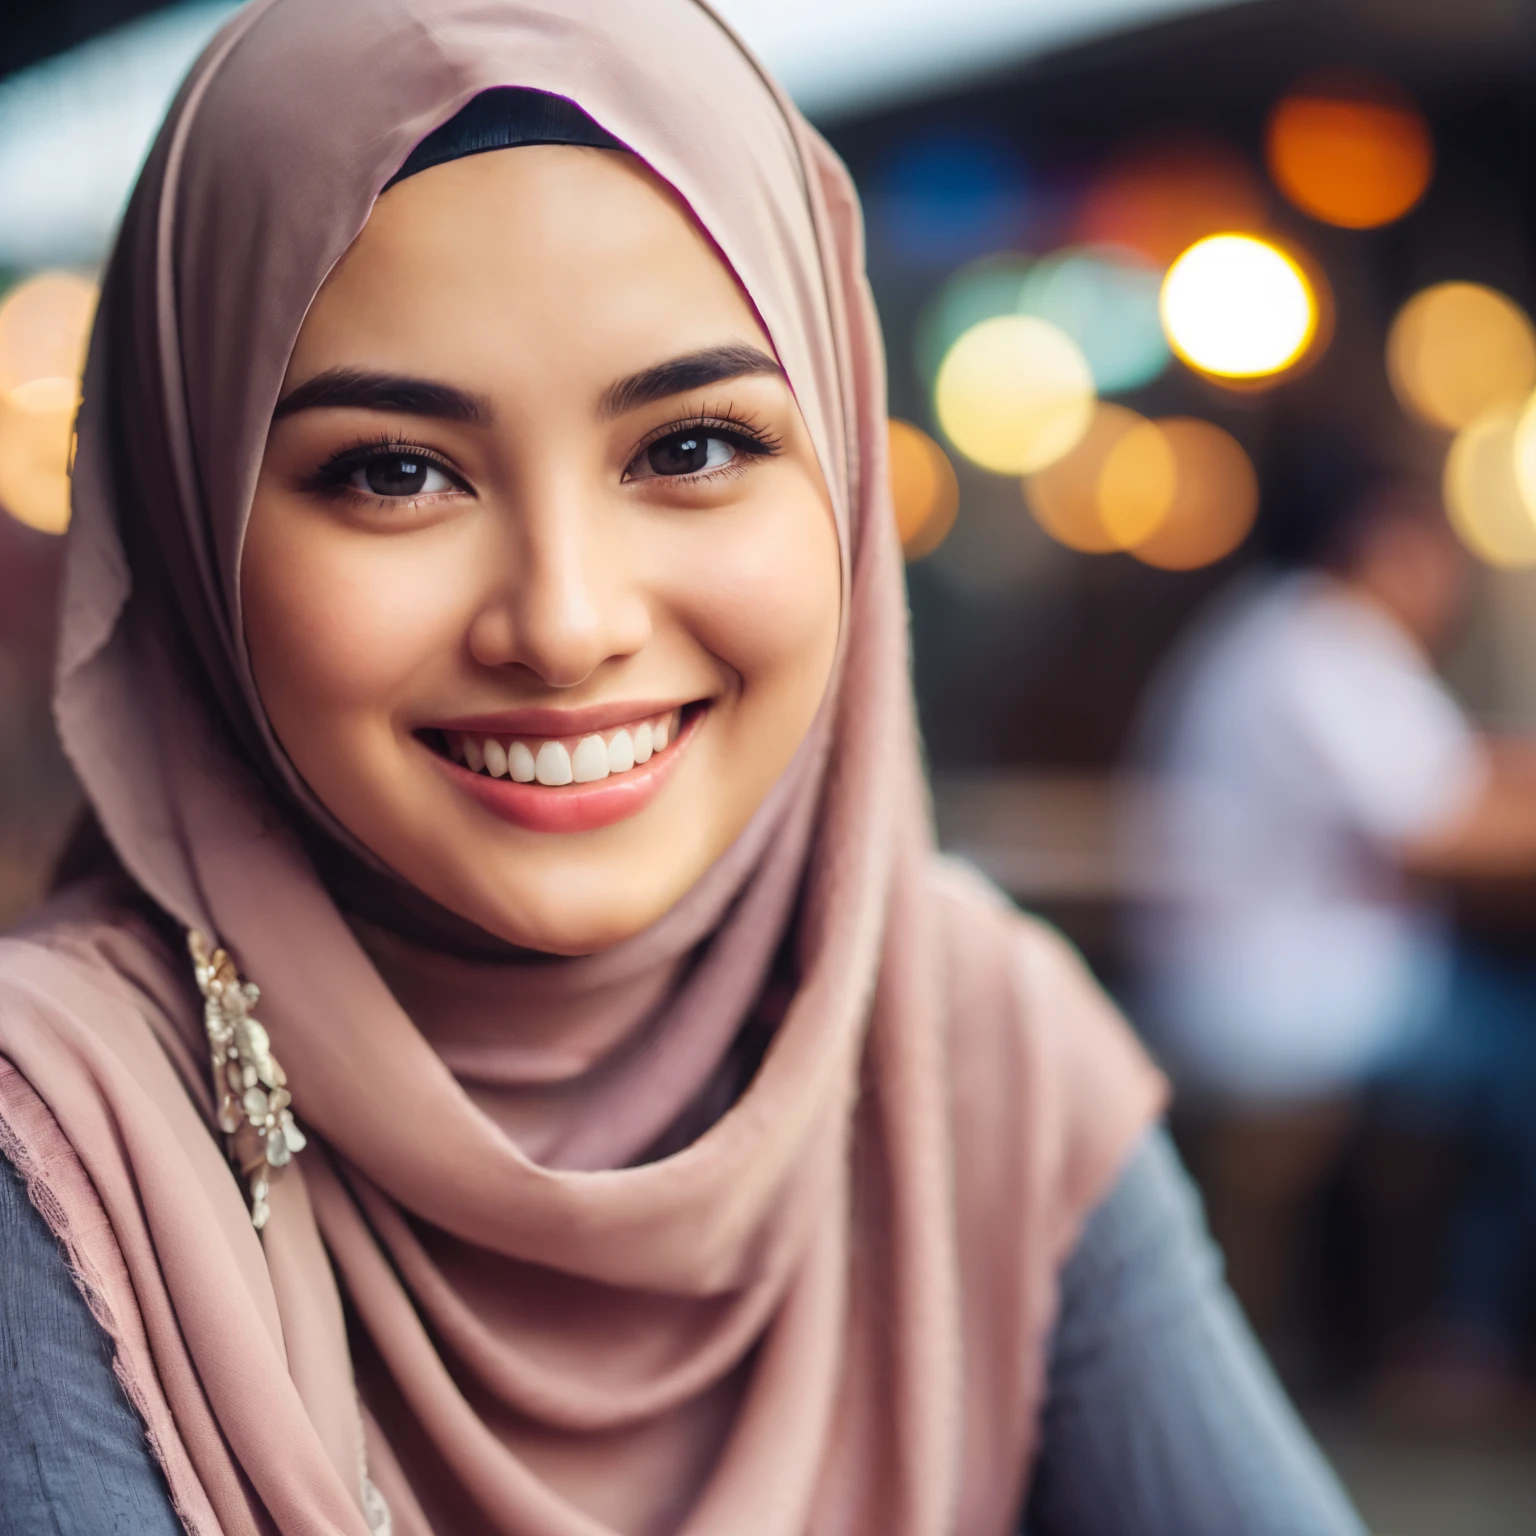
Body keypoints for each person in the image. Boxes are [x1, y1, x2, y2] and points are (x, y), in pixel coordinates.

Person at [0, 4, 1365, 1533]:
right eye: (395, 471)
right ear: (195, 539)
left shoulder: (962, 1040)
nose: (568, 624)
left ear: (842, 470)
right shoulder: (59, 1132)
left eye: (693, 447)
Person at [1126, 440, 1536, 1391]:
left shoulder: (1281, 634)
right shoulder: (1320, 644)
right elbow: (1438, 828)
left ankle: (1453, 1329)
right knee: (1519, 1050)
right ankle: (1466, 1341)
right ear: (1384, 541)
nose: (1451, 574)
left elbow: (1457, 779)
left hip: (1273, 976)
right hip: (1277, 997)